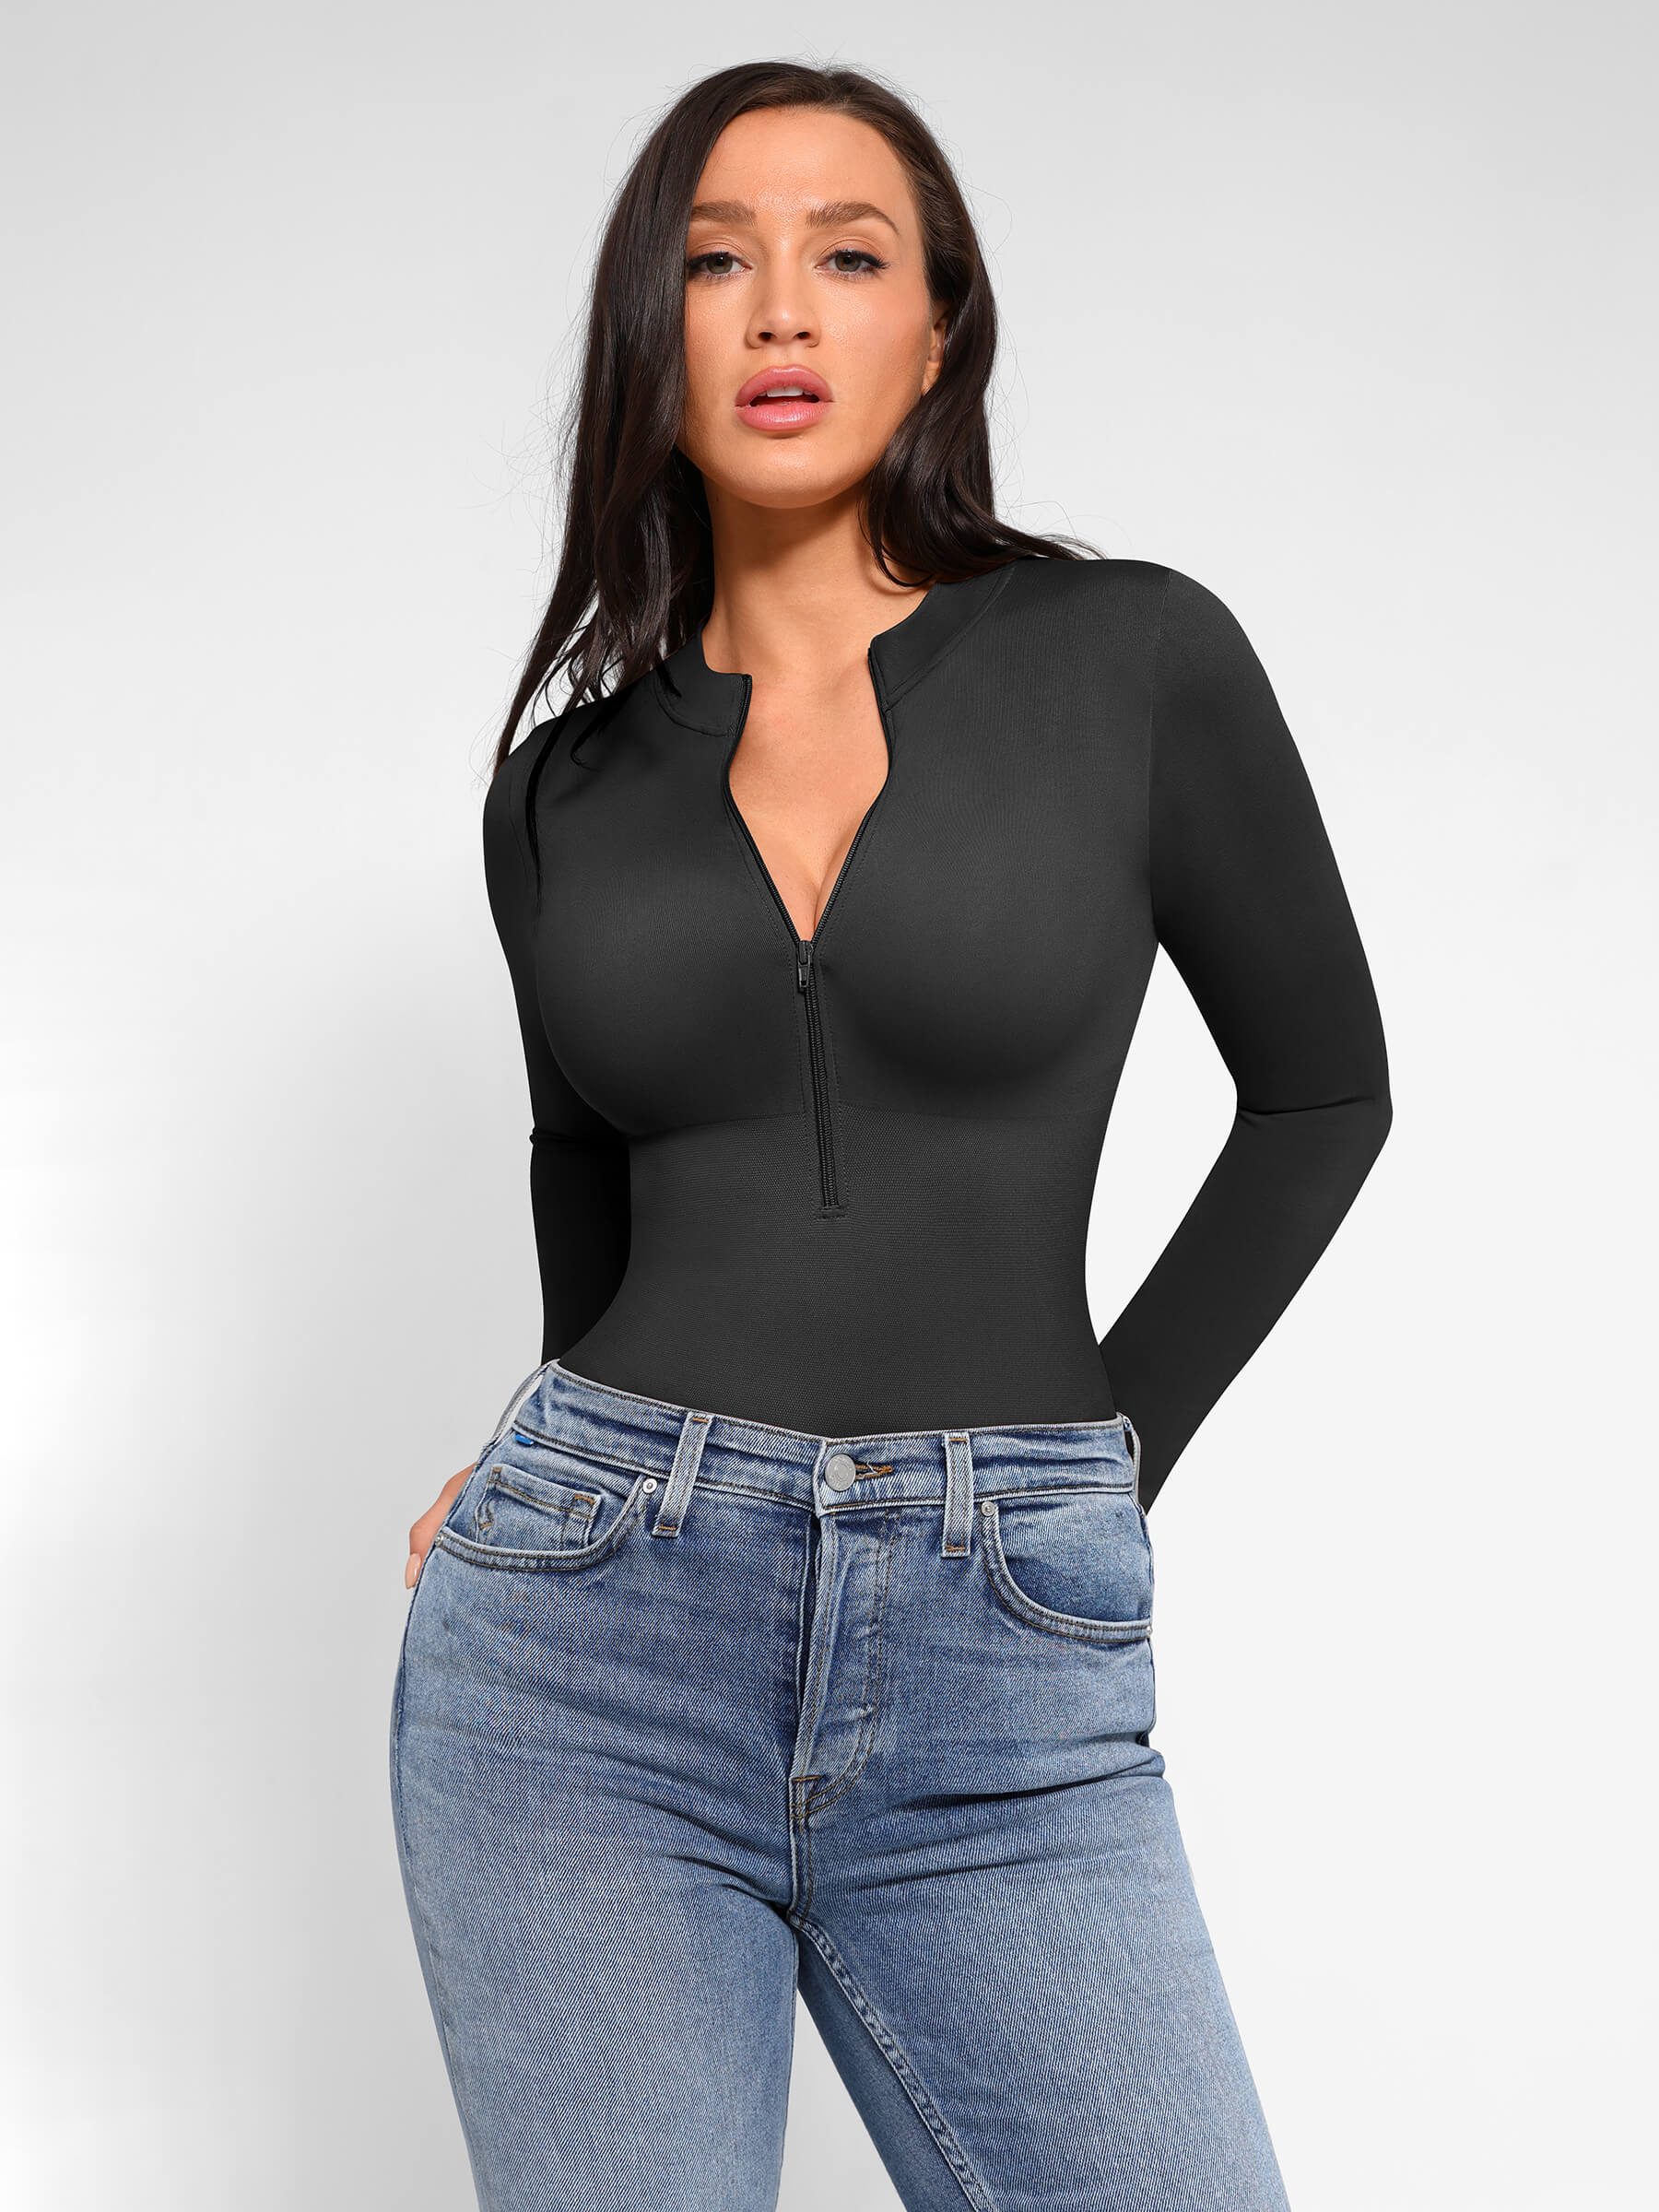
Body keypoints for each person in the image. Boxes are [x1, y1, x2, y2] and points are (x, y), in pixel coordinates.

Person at [391, 58, 1390, 2212]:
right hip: (580, 1665)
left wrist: (1094, 1467)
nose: (778, 308)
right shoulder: (558, 792)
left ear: (937, 330)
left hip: (1002, 1659)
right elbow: (584, 1166)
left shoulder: (1132, 659)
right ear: (648, 339)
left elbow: (1325, 1094)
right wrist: (544, 1453)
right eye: (713, 261)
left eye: (845, 256)